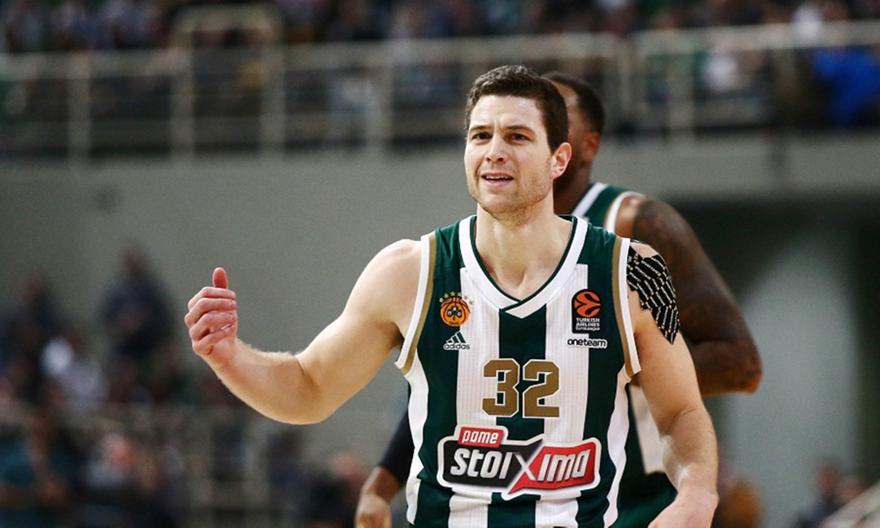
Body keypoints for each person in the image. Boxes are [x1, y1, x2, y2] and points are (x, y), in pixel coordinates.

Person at [184, 65, 719, 527]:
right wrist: (229, 356)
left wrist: (697, 491)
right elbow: (309, 388)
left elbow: (680, 413)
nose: (494, 152)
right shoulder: (408, 272)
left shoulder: (630, 272)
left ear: (560, 159)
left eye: (516, 136)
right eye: (480, 135)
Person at [355, 72, 762, 528]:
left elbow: (742, 364)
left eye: (527, 130)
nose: (507, 143)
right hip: (509, 483)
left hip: (633, 489)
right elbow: (443, 387)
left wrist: (601, 371)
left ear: (578, 147)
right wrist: (384, 480)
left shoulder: (632, 225)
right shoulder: (484, 240)